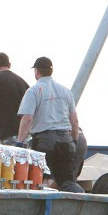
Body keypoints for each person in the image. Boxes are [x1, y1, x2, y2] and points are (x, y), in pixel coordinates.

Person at [15, 56, 83, 192]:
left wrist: (19, 143)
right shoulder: (65, 91)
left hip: (44, 141)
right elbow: (74, 120)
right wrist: (74, 141)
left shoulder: (34, 91)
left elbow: (27, 119)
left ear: (36, 71)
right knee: (67, 182)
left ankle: (40, 210)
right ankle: (81, 202)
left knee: (40, 180)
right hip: (66, 140)